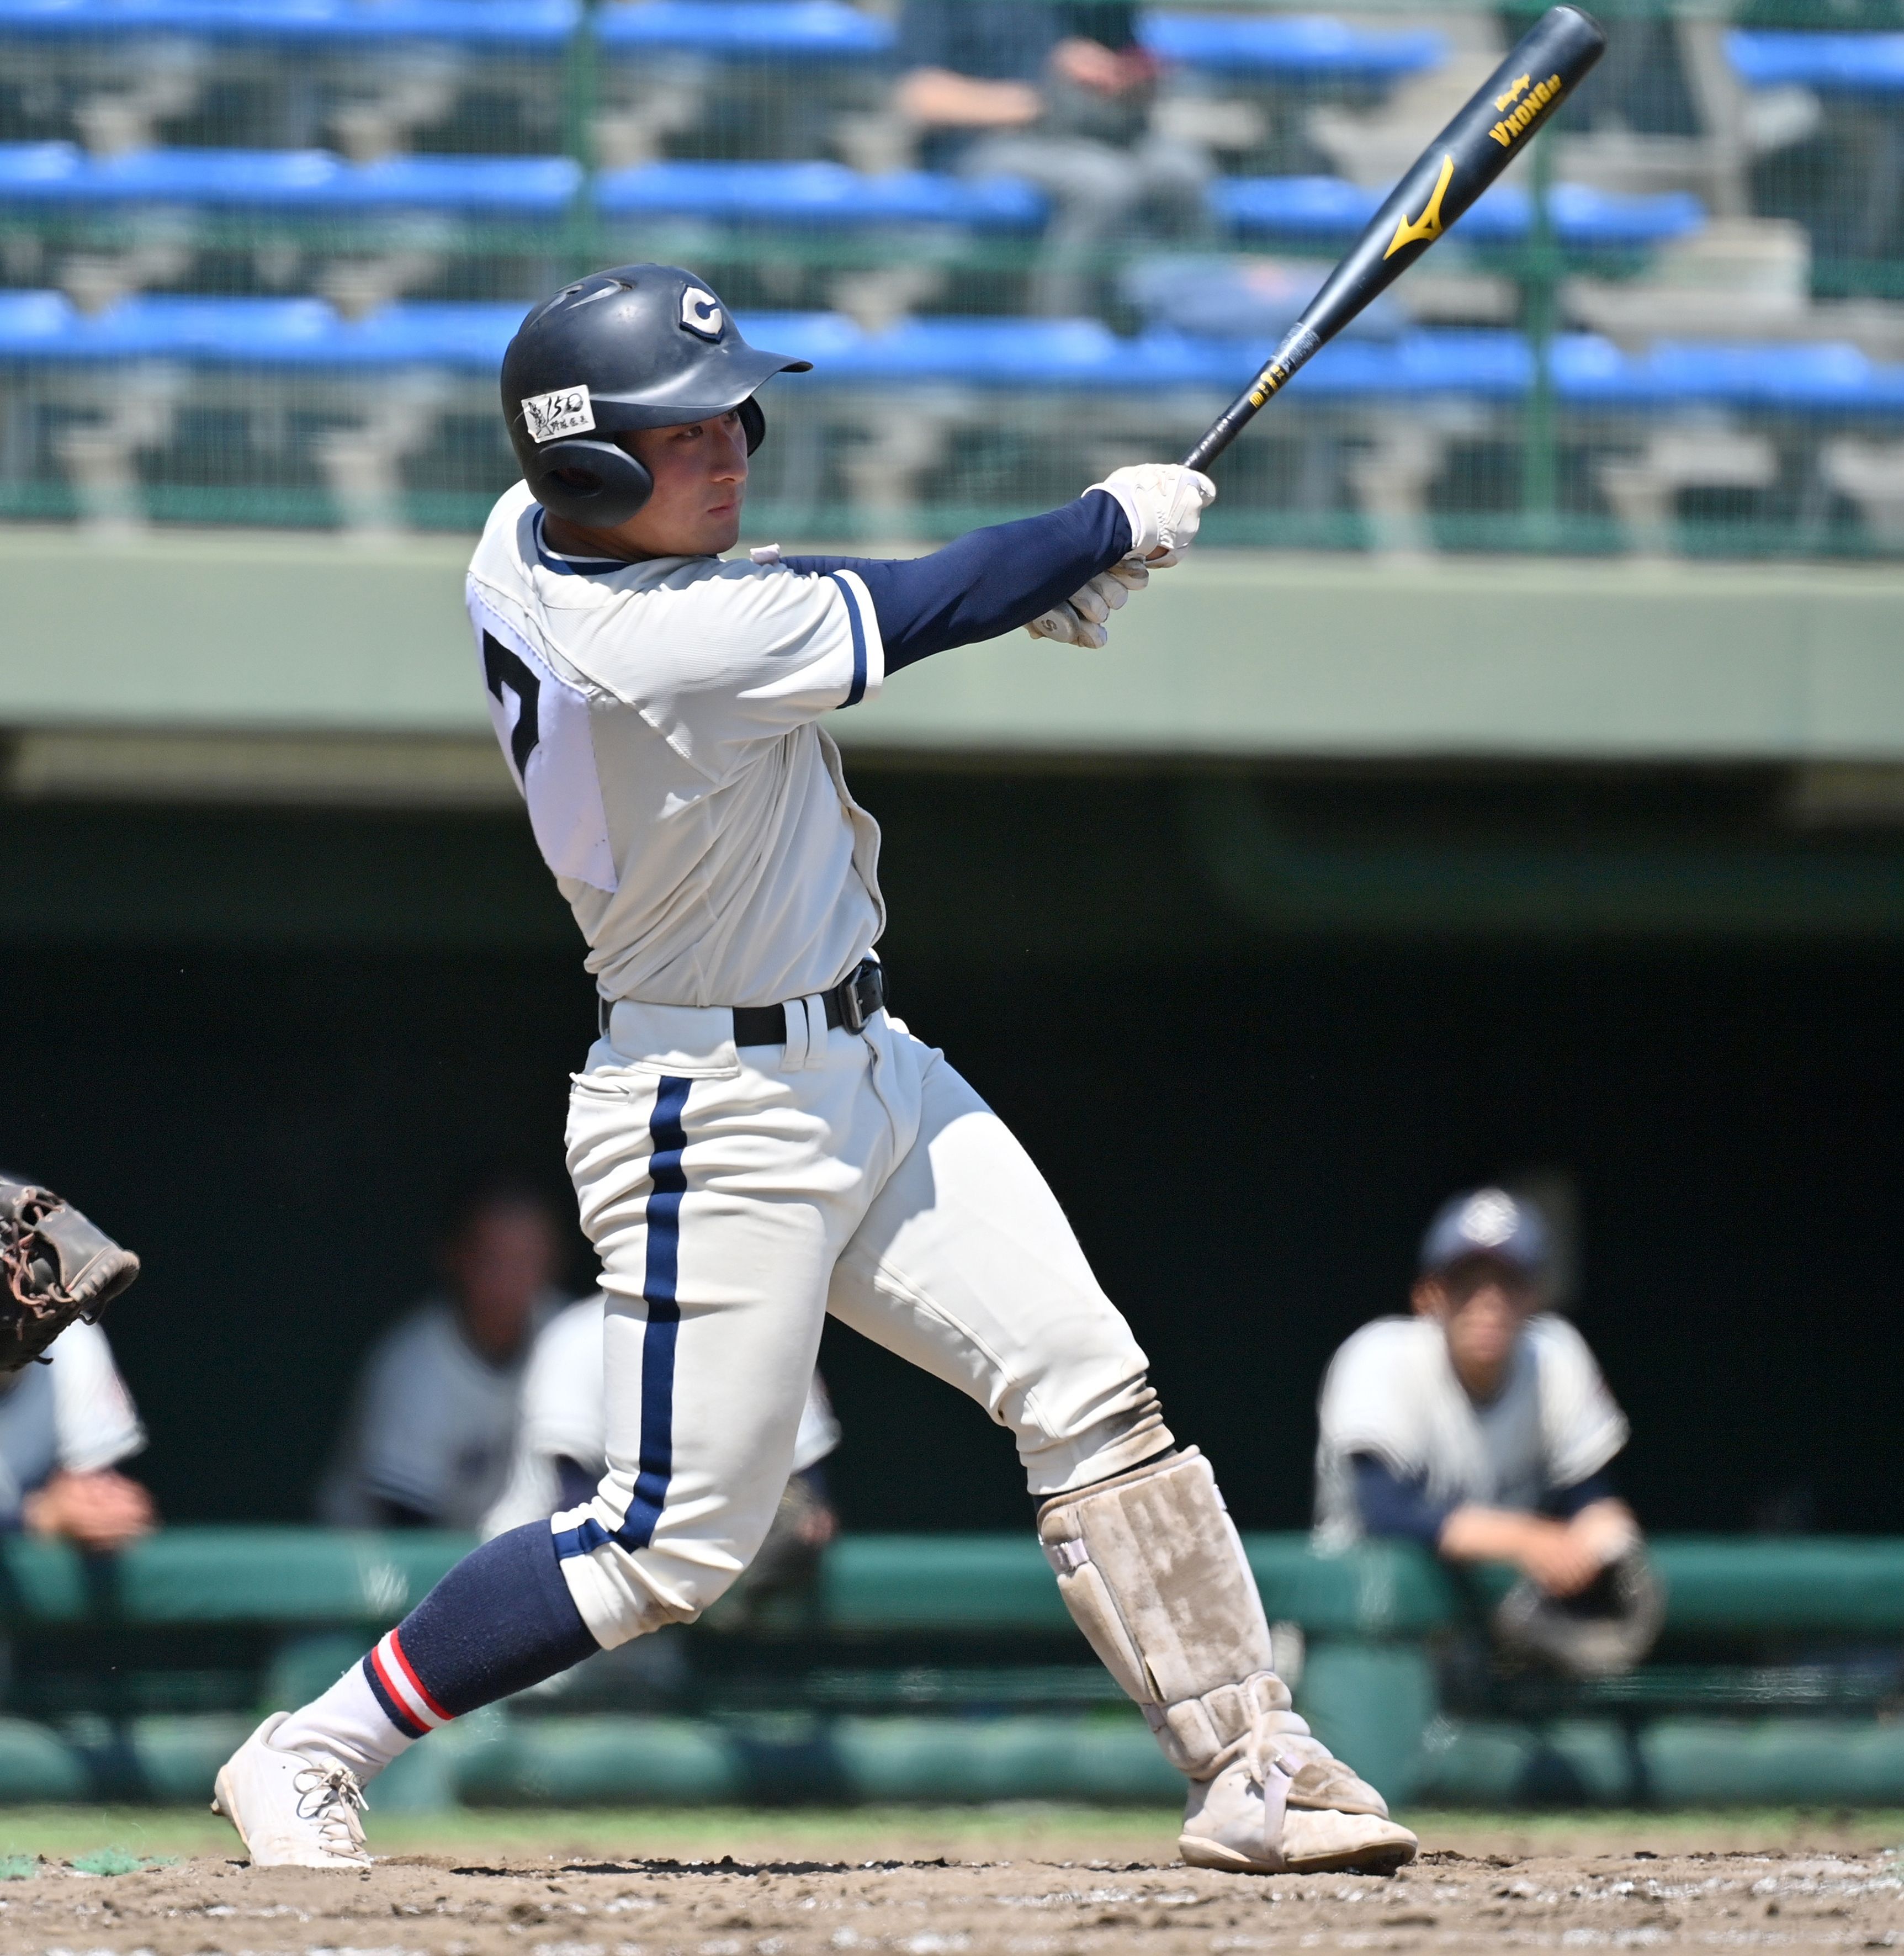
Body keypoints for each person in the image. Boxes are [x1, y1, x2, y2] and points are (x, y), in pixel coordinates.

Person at [211, 262, 1417, 1878]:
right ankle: (312, 1746)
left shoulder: (523, 543)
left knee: (1086, 1377)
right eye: (686, 430)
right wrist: (1099, 528)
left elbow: (859, 607)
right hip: (712, 1113)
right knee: (669, 1539)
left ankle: (1249, 1757)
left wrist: (1032, 583)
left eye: (734, 416)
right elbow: (898, 605)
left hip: (865, 1055)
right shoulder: (657, 645)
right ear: (588, 464)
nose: (732, 446)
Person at [1313, 1187, 1642, 1599]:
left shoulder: (1555, 1359)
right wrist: (1529, 1539)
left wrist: (1603, 1537)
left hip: (1483, 1635)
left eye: (1508, 1282)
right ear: (1428, 1295)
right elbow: (1385, 1512)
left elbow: (1591, 1497)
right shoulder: (1380, 1357)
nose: (1489, 1302)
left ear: (1534, 1296)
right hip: (1355, 1622)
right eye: (1467, 1283)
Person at [482, 1295, 841, 1629]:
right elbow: (572, 1505)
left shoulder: (767, 1336)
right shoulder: (579, 1337)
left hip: (674, 1632)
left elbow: (808, 1499)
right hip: (547, 1612)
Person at [893, 0, 1211, 316]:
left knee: (1182, 171)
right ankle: (1064, 338)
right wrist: (1048, 94)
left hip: (1099, 133)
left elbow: (1132, 69)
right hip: (987, 143)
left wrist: (1122, 76)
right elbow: (923, 98)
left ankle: (1198, 325)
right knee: (1102, 183)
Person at [317, 1174, 569, 1531]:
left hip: (500, 1556)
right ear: (454, 1257)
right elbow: (405, 1537)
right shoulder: (413, 1368)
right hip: (372, 1565)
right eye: (493, 1260)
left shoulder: (571, 1338)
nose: (511, 1281)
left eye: (527, 1260)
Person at [0, 1318, 153, 1552]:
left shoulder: (70, 1338)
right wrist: (36, 1516)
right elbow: (45, 1515)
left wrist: (97, 1506)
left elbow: (88, 1487)